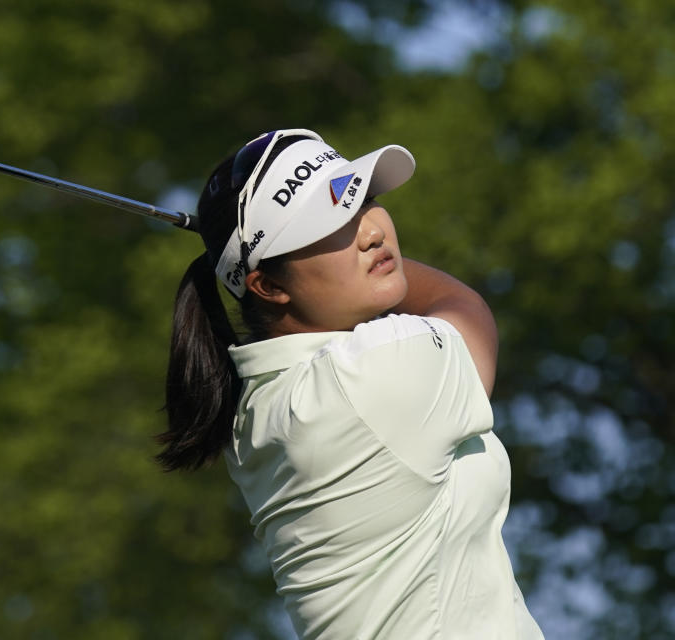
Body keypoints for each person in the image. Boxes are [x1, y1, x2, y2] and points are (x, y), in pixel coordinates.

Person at [157, 129, 545, 639]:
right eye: (327, 222)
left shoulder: (254, 407)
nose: (371, 231)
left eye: (362, 198)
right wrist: (386, 273)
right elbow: (466, 311)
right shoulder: (364, 376)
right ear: (269, 286)